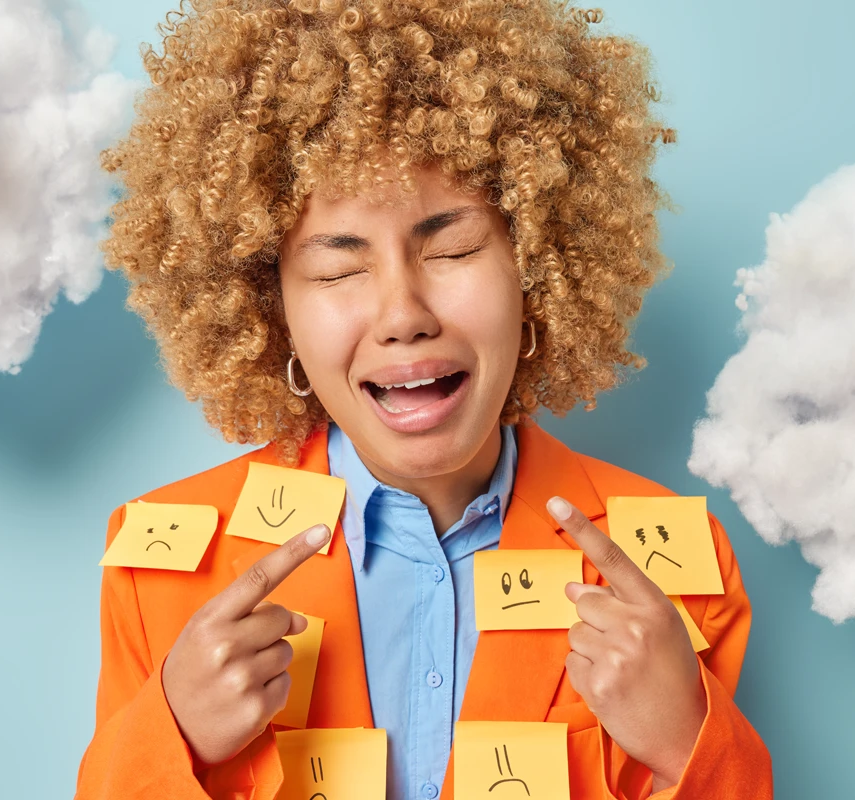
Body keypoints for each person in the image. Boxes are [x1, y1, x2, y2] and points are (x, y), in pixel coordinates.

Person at [76, 0, 772, 797]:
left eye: (455, 247)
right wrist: (173, 739)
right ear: (269, 311)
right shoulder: (160, 568)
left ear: (539, 268)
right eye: (339, 268)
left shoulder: (675, 567)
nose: (404, 315)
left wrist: (691, 744)